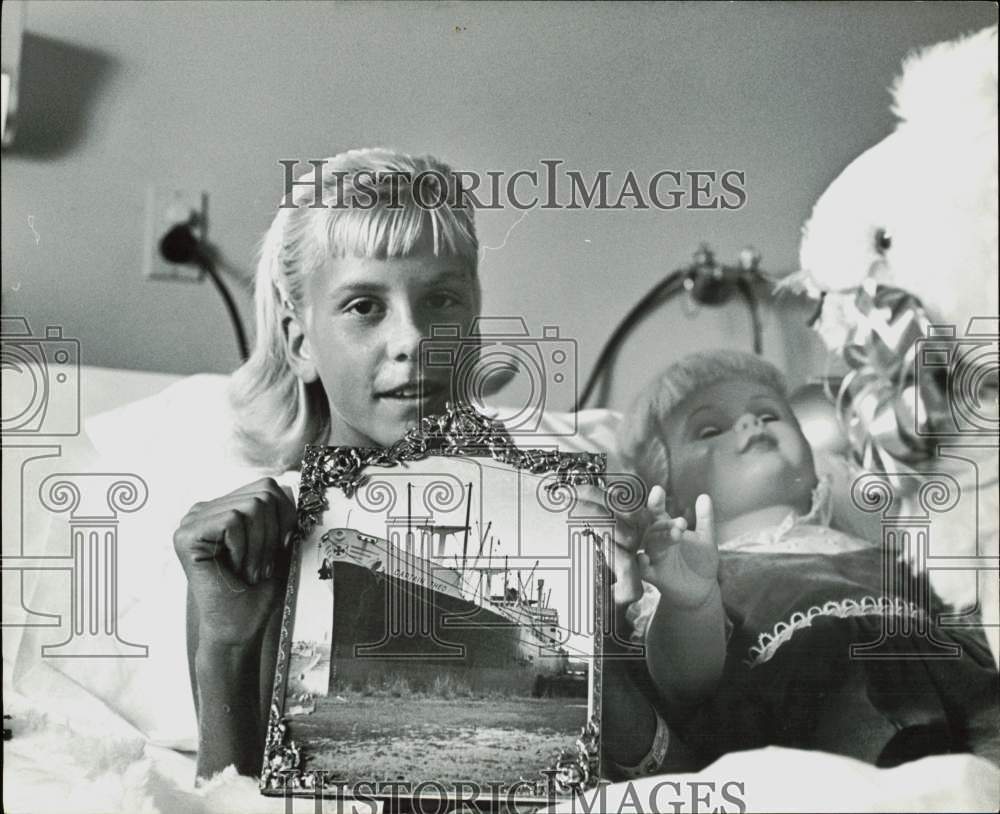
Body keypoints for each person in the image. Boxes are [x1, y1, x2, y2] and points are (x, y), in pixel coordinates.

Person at [172, 148, 482, 780]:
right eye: (365, 306)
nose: (413, 340)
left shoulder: (551, 518)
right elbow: (229, 794)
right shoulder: (256, 543)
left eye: (443, 299)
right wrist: (225, 649)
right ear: (299, 341)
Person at [607, 350, 999, 776]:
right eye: (709, 429)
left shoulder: (899, 552)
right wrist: (691, 603)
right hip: (833, 746)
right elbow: (685, 684)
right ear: (668, 490)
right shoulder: (697, 573)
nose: (751, 423)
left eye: (770, 414)